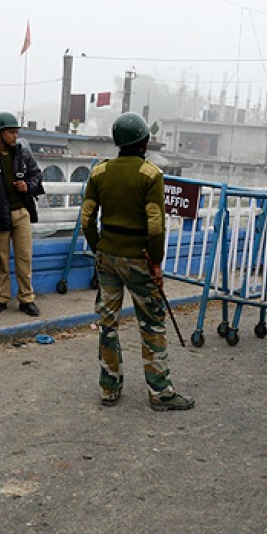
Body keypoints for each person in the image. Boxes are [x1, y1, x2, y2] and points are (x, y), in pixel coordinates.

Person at [80, 112, 194, 412]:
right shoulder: (151, 174)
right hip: (139, 259)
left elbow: (87, 218)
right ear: (144, 142)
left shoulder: (99, 172)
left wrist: (98, 248)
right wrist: (156, 263)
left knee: (107, 325)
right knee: (152, 325)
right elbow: (156, 226)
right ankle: (160, 393)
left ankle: (109, 388)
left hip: (107, 256)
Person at [0, 112, 44, 317]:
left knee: (24, 257)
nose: (15, 136)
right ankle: (1, 297)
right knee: (0, 258)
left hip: (22, 212)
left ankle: (26, 298)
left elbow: (37, 174)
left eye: (16, 132)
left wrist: (28, 186)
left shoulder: (23, 153)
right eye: (11, 132)